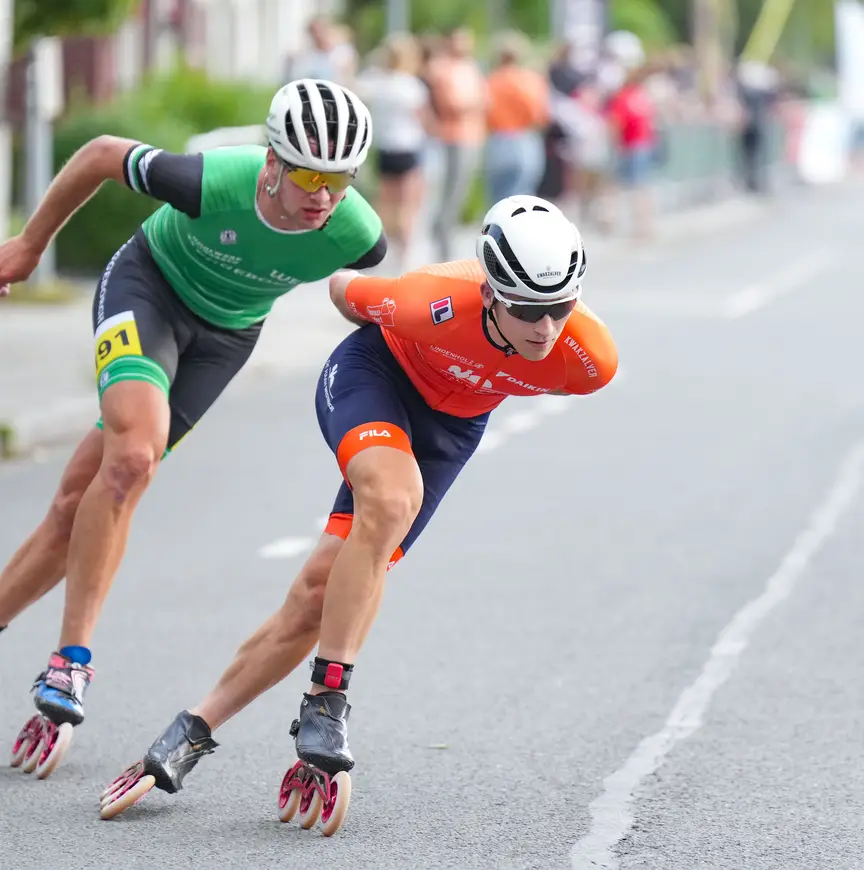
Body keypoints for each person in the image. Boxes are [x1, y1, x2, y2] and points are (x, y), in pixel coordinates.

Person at [99, 194, 618, 833]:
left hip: (449, 432)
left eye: (560, 308)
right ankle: (329, 697)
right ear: (489, 295)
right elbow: (345, 290)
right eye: (528, 311)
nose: (546, 328)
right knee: (395, 499)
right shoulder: (426, 299)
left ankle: (191, 730)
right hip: (374, 378)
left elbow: (546, 341)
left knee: (318, 594)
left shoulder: (590, 361)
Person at [2, 78, 386, 780]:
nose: (321, 195)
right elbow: (98, 154)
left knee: (75, 504)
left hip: (223, 341)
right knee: (132, 459)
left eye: (338, 179)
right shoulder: (213, 181)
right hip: (148, 289)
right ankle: (71, 660)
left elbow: (354, 280)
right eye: (304, 173)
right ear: (271, 160)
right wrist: (29, 245)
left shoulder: (357, 234)